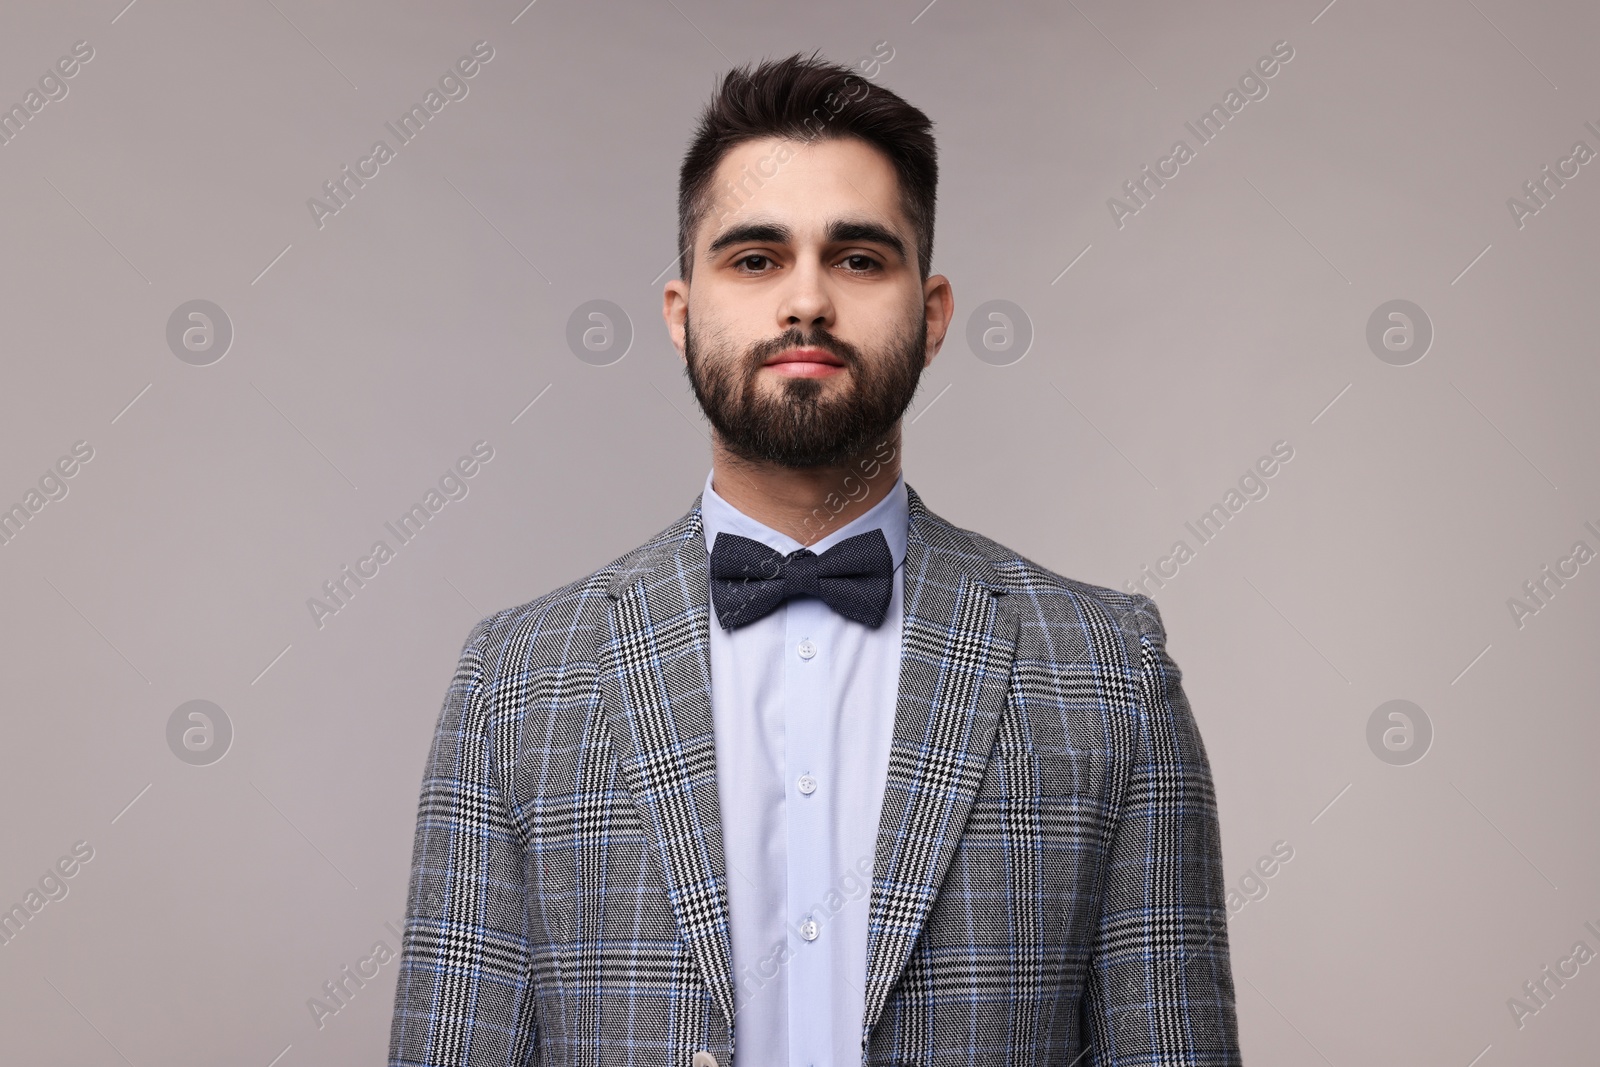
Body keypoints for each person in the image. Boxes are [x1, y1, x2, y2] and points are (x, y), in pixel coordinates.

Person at [388, 51, 1240, 1067]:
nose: (805, 302)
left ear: (930, 316)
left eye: (857, 258)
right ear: (681, 311)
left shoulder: (1110, 669)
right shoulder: (516, 679)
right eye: (754, 258)